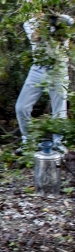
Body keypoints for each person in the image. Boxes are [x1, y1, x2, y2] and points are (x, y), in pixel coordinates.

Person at [15, 10, 73, 153]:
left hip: (58, 67)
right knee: (21, 107)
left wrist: (59, 22)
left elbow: (69, 31)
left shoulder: (63, 18)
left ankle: (59, 143)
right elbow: (35, 37)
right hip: (38, 68)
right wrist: (46, 23)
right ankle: (28, 142)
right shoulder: (29, 23)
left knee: (59, 108)